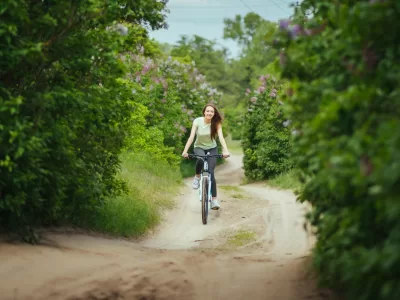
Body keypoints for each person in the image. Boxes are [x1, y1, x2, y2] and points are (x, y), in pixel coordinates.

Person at [182, 103, 230, 210]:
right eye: (207, 111)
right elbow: (191, 137)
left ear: (214, 114)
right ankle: (197, 176)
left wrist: (225, 150)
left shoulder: (216, 123)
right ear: (204, 112)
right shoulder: (197, 121)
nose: (209, 113)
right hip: (199, 147)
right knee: (200, 159)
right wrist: (185, 151)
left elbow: (221, 138)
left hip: (212, 148)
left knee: (211, 173)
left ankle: (214, 201)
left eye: (211, 112)